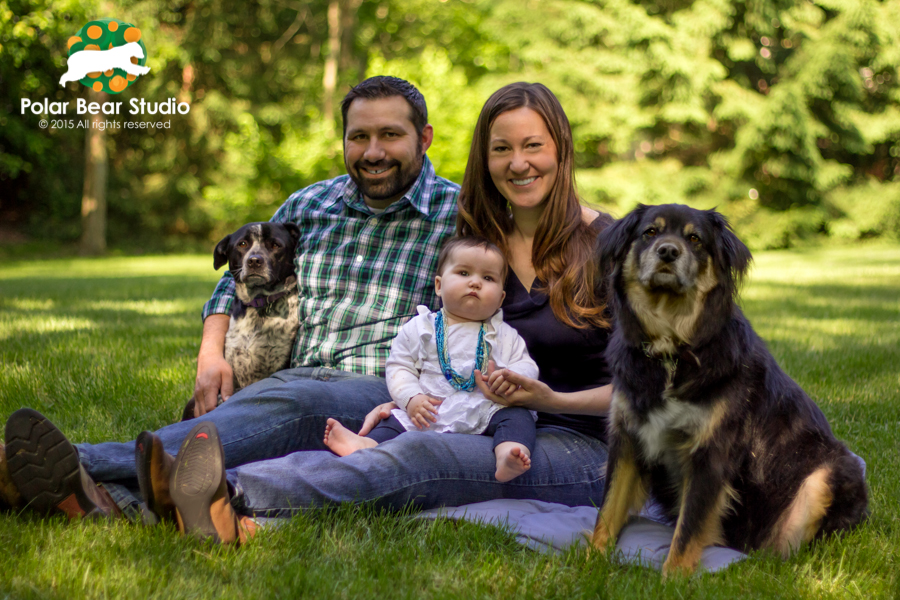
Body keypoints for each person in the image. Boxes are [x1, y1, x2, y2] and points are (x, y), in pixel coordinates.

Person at [132, 82, 618, 543]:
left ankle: (226, 493)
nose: (518, 163)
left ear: (562, 149)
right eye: (501, 149)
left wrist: (551, 399)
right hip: (480, 418)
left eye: (533, 145)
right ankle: (132, 483)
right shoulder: (479, 242)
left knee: (420, 456)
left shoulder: (613, 245)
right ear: (484, 158)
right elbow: (449, 337)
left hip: (583, 444)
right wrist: (413, 392)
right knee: (405, 443)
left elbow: (654, 387)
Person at [0, 75, 459, 520]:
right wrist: (210, 353)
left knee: (291, 408)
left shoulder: (458, 214)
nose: (373, 152)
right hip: (286, 374)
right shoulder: (310, 206)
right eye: (359, 136)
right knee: (266, 413)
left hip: (382, 388)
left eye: (390, 135)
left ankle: (77, 462)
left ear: (424, 138)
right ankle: (110, 500)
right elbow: (234, 280)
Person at [324, 236, 539, 482]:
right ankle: (365, 443)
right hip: (430, 407)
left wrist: (513, 377)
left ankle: (508, 454)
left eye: (488, 278)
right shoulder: (422, 327)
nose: (475, 283)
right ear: (439, 285)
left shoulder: (503, 334)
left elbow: (525, 364)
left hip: (484, 406)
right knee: (395, 422)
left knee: (518, 418)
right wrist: (411, 397)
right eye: (464, 272)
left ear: (500, 298)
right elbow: (400, 366)